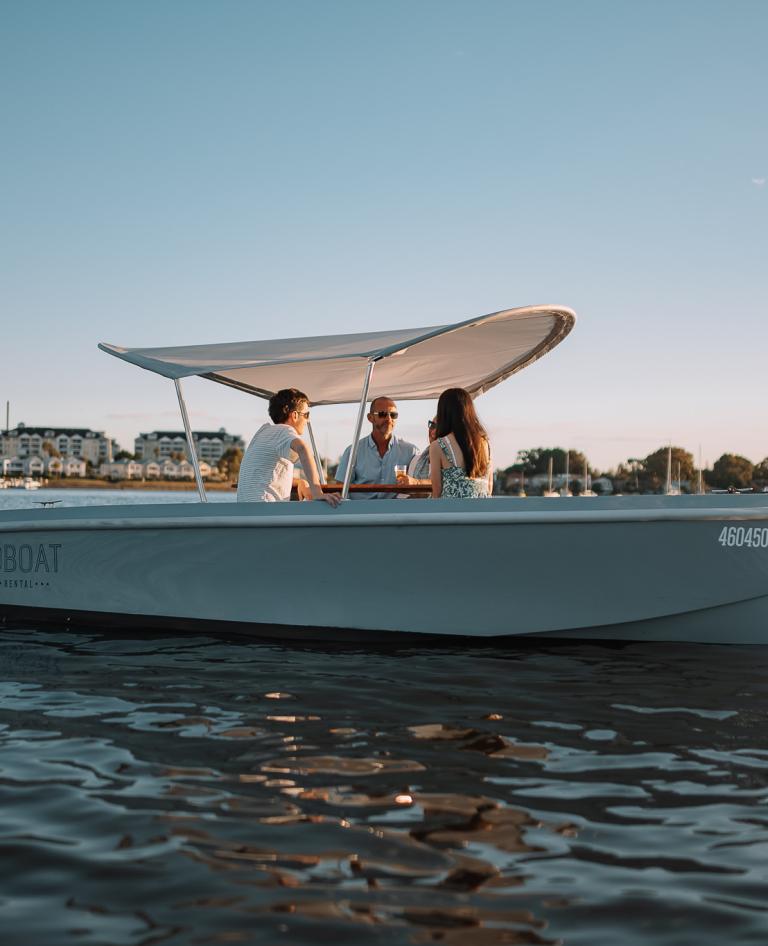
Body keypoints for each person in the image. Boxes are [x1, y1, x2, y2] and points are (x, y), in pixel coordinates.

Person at [237, 388, 340, 506]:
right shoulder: (284, 431)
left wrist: (300, 482)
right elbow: (303, 448)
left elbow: (266, 477)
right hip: (265, 511)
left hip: (245, 511)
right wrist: (317, 492)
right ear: (295, 415)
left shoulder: (263, 433)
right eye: (306, 415)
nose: (308, 420)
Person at [334, 395, 418, 499]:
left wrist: (415, 482)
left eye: (393, 415)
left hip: (396, 513)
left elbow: (426, 482)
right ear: (370, 418)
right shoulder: (352, 451)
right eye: (382, 414)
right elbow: (339, 489)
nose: (389, 419)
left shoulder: (411, 451)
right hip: (361, 512)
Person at [429, 388, 492, 499]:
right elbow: (489, 487)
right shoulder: (484, 443)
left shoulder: (438, 446)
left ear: (443, 412)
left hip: (453, 512)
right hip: (482, 512)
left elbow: (437, 491)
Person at [396, 417, 437, 486]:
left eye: (440, 428)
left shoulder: (452, 460)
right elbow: (407, 493)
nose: (433, 432)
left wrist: (416, 482)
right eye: (432, 425)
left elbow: (441, 483)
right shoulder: (416, 460)